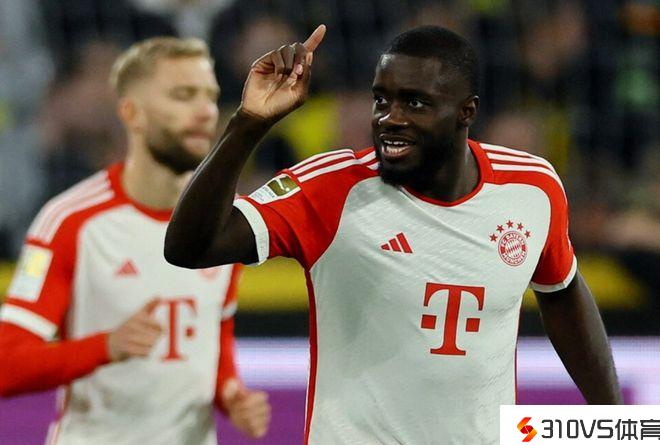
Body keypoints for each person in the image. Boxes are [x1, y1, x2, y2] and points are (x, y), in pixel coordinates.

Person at [164, 25, 622, 444]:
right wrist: (249, 123)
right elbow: (190, 247)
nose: (390, 118)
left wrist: (613, 422)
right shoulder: (334, 188)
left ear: (466, 112)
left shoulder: (531, 188)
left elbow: (562, 292)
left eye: (415, 103)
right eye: (381, 100)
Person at [0, 37, 271, 444]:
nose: (205, 112)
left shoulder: (224, 220)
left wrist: (230, 393)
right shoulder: (72, 221)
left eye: (210, 96)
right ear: (132, 113)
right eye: (183, 95)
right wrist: (106, 346)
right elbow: (7, 365)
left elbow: (212, 335)